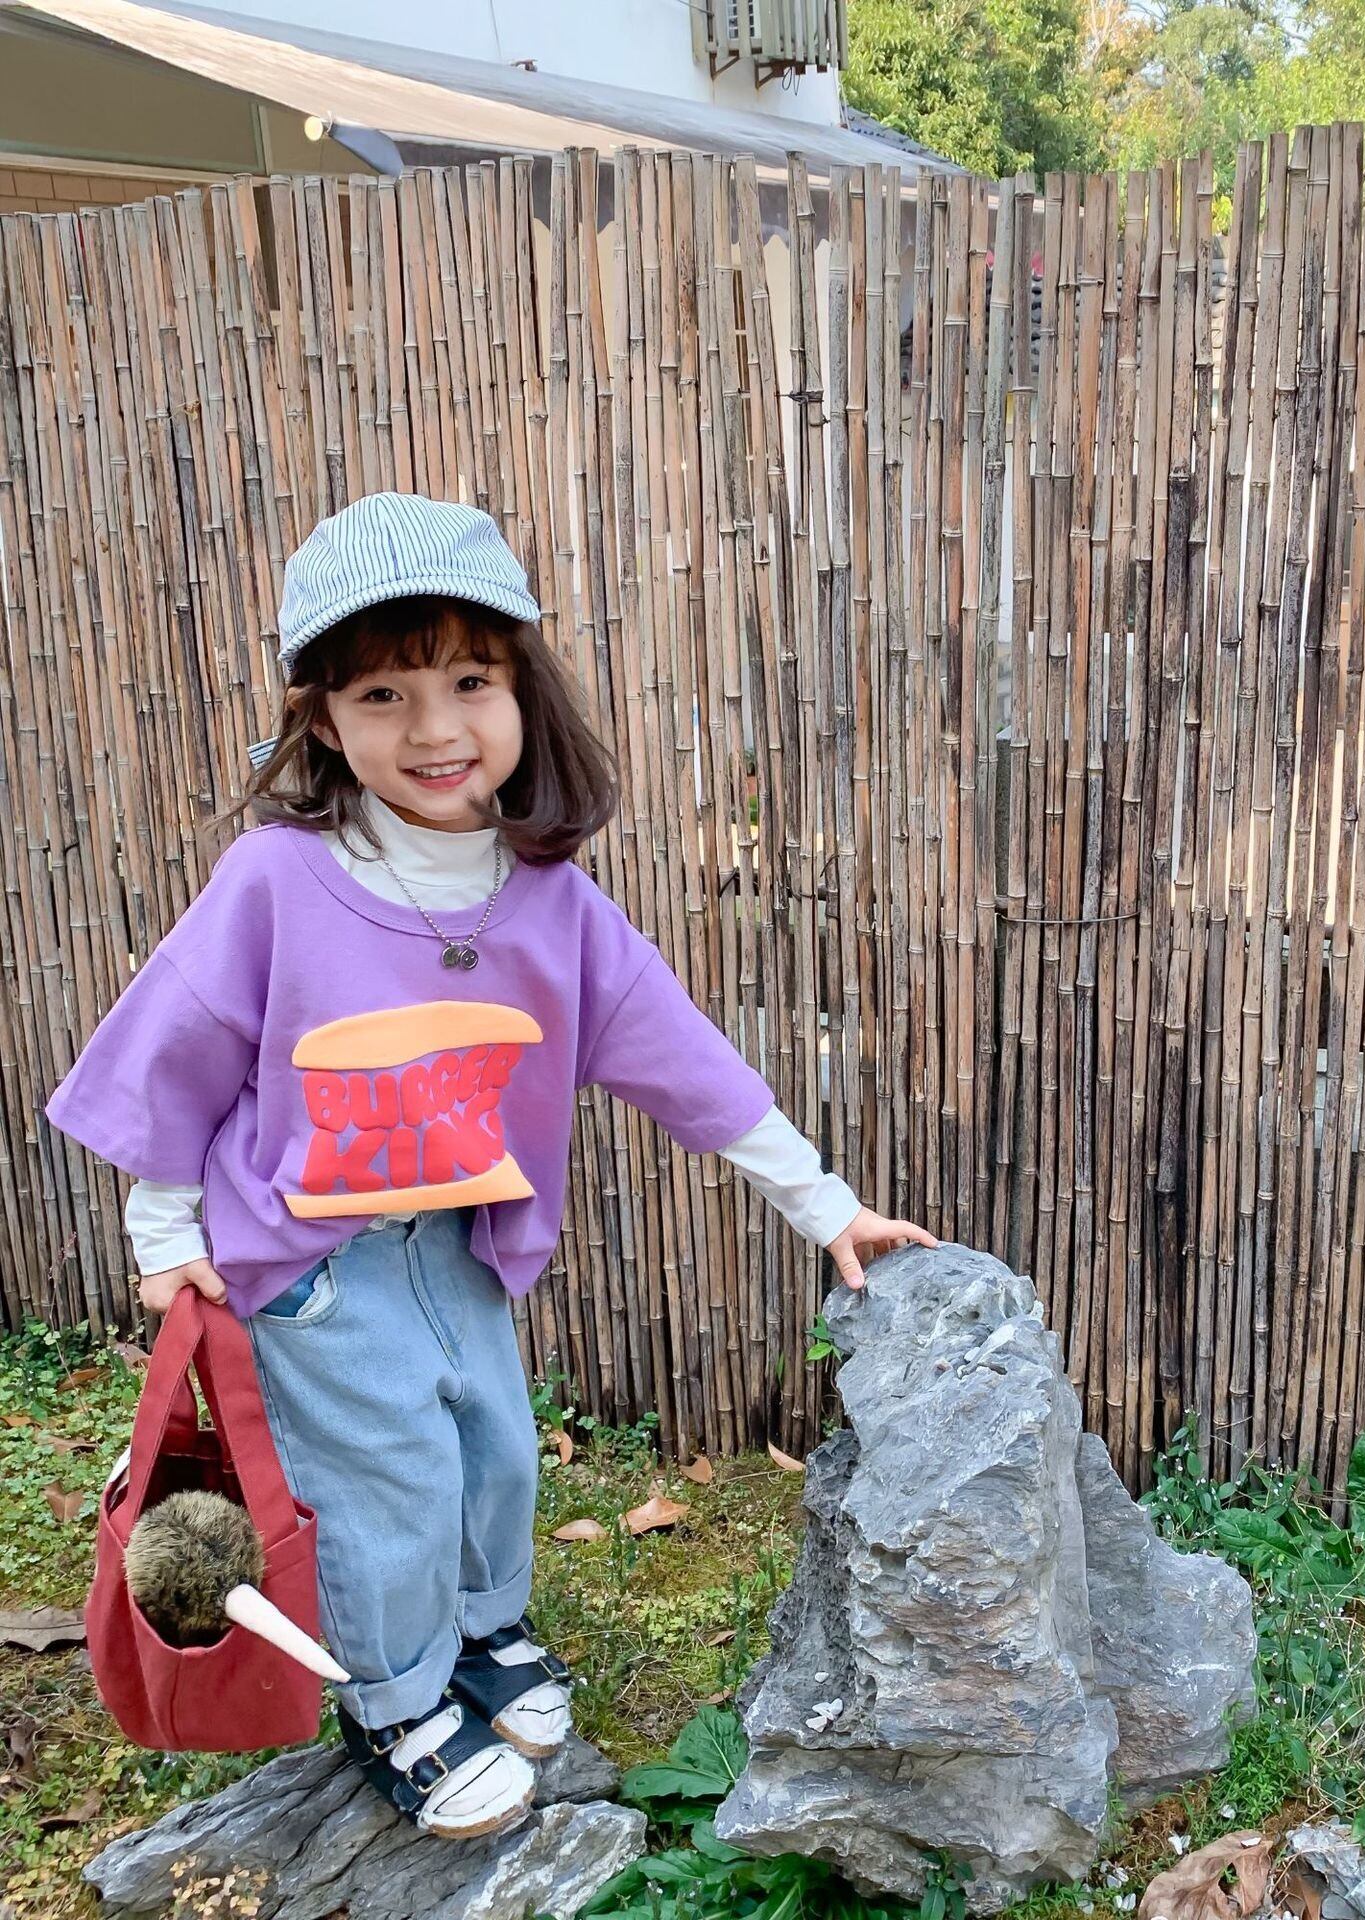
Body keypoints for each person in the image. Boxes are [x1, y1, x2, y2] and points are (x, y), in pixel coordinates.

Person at [45, 492, 935, 1841]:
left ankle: (481, 1632)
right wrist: (163, 1236)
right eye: (383, 693)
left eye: (470, 680)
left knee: (492, 1451)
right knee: (384, 1488)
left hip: (458, 1243)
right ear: (321, 720)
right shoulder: (277, 882)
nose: (435, 728)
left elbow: (685, 1059)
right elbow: (177, 1055)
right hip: (309, 1270)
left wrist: (825, 1206)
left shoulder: (551, 903)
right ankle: (396, 1700)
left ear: (525, 689)